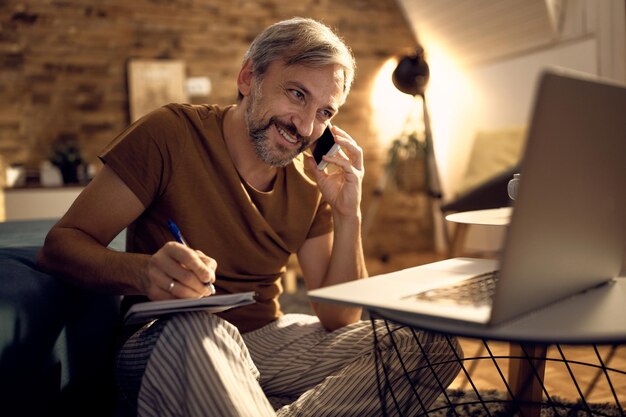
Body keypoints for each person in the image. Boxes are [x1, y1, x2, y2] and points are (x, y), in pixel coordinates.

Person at [38, 17, 461, 417]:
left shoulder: (311, 182)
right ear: (248, 79)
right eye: (296, 94)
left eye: (324, 112)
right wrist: (146, 271)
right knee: (201, 329)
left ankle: (250, 403)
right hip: (168, 336)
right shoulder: (169, 134)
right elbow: (61, 247)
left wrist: (348, 212)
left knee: (435, 345)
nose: (305, 125)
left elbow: (338, 317)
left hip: (265, 341)